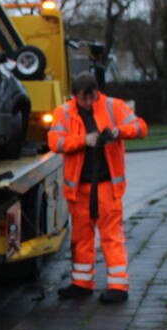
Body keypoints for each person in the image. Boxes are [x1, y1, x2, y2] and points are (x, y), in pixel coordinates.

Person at [48, 73, 147, 304]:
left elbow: (141, 128)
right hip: (80, 187)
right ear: (75, 97)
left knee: (111, 236)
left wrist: (118, 132)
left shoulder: (114, 106)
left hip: (106, 185)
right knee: (81, 235)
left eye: (92, 98)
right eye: (84, 99)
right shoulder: (63, 112)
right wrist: (84, 140)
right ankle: (82, 283)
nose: (89, 104)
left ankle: (118, 286)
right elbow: (55, 142)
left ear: (97, 92)